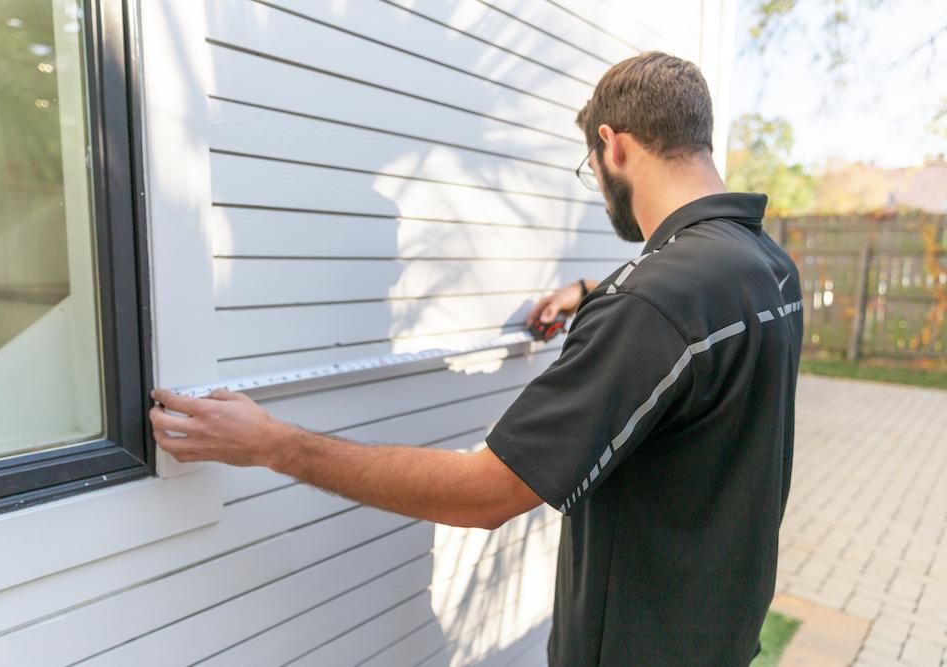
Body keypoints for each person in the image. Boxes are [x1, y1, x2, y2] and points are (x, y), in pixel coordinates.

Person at [150, 51, 803, 666]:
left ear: (614, 145)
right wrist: (590, 293)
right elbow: (686, 329)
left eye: (591, 167)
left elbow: (485, 494)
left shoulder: (651, 306)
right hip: (721, 636)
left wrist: (273, 444)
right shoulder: (766, 267)